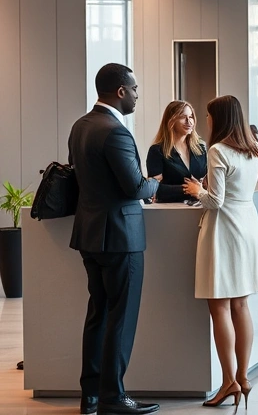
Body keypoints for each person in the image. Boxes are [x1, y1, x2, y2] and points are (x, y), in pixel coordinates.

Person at [68, 63, 161, 415]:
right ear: (121, 91)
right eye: (135, 89)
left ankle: (90, 395)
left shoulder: (81, 126)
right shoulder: (115, 131)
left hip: (89, 235)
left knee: (98, 315)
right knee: (120, 319)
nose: (137, 95)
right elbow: (134, 187)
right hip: (121, 238)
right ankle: (113, 397)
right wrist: (153, 182)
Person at [183, 95, 258, 410]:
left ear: (220, 118)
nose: (206, 120)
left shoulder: (218, 150)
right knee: (241, 305)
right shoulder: (252, 149)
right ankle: (243, 377)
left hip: (224, 229)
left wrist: (196, 190)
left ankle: (228, 380)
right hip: (247, 226)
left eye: (208, 115)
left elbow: (214, 200)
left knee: (220, 308)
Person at [146, 100, 208, 203]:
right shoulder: (157, 151)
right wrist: (190, 189)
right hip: (170, 211)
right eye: (183, 117)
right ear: (171, 120)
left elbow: (207, 184)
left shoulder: (200, 149)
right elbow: (154, 189)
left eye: (191, 116)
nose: (189, 121)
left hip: (200, 209)